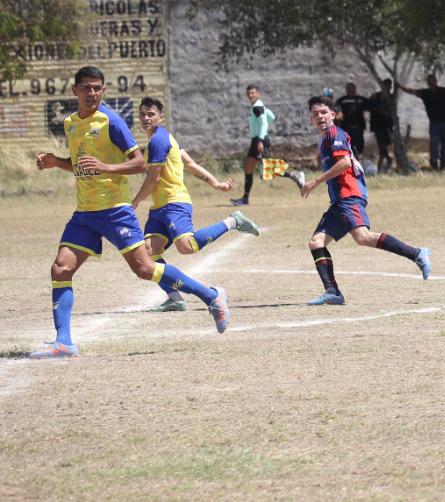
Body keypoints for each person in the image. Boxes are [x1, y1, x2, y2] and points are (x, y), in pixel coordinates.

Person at [26, 66, 230, 358]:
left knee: (145, 269)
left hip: (115, 211)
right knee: (61, 268)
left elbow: (139, 163)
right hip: (85, 212)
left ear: (103, 90)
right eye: (86, 87)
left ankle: (211, 296)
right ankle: (64, 342)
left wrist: (106, 167)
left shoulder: (111, 121)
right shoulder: (71, 123)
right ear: (75, 90)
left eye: (97, 88)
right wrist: (56, 162)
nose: (92, 93)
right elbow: (80, 163)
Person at [301, 94, 433, 305]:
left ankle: (417, 253)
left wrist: (315, 181)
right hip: (338, 201)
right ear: (311, 119)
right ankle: (333, 292)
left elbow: (345, 163)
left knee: (363, 237)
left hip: (349, 196)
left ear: (333, 115)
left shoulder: (336, 134)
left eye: (324, 112)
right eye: (315, 114)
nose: (320, 117)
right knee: (316, 242)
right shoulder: (324, 140)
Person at [132, 97, 262, 311]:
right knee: (149, 253)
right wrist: (216, 183)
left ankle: (233, 221)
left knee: (187, 246)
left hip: (174, 203)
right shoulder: (164, 139)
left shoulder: (158, 140)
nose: (146, 118)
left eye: (151, 114)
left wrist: (135, 201)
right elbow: (190, 164)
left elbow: (154, 178)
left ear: (161, 117)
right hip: (159, 208)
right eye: (143, 114)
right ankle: (175, 299)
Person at [233, 84, 302, 204]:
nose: (251, 95)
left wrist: (260, 139)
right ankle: (245, 199)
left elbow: (264, 123)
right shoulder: (259, 106)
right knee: (248, 167)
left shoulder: (257, 107)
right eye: (249, 93)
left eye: (253, 93)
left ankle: (294, 174)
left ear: (258, 94)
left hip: (260, 140)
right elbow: (271, 117)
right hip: (256, 140)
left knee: (268, 167)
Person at [398, 74, 445, 170]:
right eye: (430, 81)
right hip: (434, 122)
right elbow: (411, 91)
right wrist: (400, 86)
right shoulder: (425, 93)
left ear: (436, 81)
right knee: (434, 142)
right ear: (427, 83)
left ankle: (444, 163)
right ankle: (434, 162)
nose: (432, 83)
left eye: (433, 80)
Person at [368, 79, 398, 172]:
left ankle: (385, 162)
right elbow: (368, 106)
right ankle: (385, 162)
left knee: (386, 145)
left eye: (389, 86)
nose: (388, 88)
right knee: (381, 145)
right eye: (386, 86)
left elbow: (393, 110)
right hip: (377, 125)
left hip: (388, 125)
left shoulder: (392, 97)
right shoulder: (375, 96)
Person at [335, 82, 368, 157]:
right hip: (346, 129)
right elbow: (336, 111)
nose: (351, 90)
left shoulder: (361, 99)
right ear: (346, 90)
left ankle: (359, 161)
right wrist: (338, 116)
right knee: (348, 149)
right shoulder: (342, 100)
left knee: (359, 149)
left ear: (355, 89)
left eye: (352, 88)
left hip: (358, 128)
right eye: (349, 88)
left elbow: (372, 106)